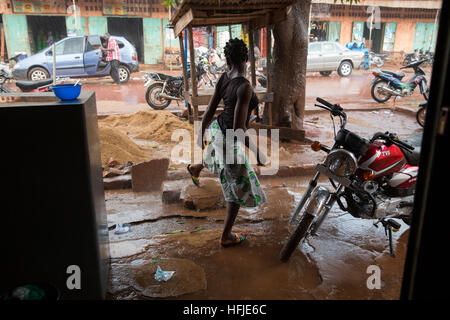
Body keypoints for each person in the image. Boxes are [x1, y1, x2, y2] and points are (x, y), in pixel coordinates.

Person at [187, 38, 267, 247]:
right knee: (238, 185)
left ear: (228, 59)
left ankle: (195, 168)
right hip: (228, 139)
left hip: (216, 129)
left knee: (216, 157)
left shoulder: (224, 78)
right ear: (247, 58)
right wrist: (258, 152)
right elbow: (240, 129)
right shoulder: (244, 87)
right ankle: (226, 236)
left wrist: (201, 132)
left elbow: (210, 110)